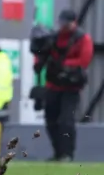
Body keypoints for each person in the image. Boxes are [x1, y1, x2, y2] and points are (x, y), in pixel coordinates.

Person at [34, 9, 93, 162]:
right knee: (51, 120)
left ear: (74, 23)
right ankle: (58, 153)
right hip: (53, 85)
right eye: (62, 23)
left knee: (66, 121)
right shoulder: (54, 37)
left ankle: (67, 154)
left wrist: (64, 66)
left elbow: (84, 61)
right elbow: (42, 54)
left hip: (71, 88)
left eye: (67, 23)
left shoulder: (83, 39)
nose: (64, 26)